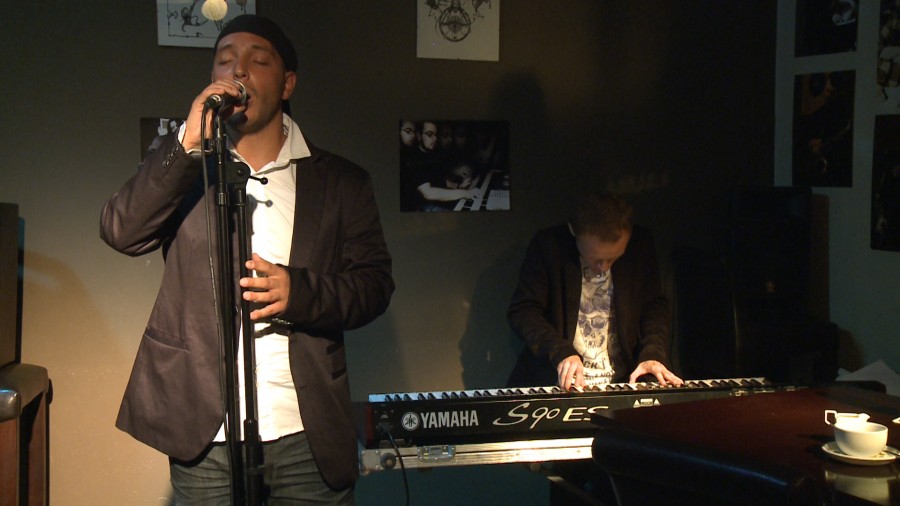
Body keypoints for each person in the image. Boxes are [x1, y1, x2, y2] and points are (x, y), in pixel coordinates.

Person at [100, 15, 393, 503]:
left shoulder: (341, 182)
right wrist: (187, 141)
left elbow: (375, 285)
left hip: (306, 432)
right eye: (225, 60)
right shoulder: (187, 172)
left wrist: (300, 292)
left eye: (258, 61)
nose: (238, 70)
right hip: (205, 434)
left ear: (287, 83)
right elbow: (121, 231)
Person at [507, 193, 682, 389]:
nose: (604, 268)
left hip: (624, 381)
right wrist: (560, 352)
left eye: (613, 259)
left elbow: (654, 308)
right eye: (596, 260)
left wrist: (652, 354)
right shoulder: (549, 246)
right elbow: (523, 311)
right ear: (574, 233)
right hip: (557, 382)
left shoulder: (640, 245)